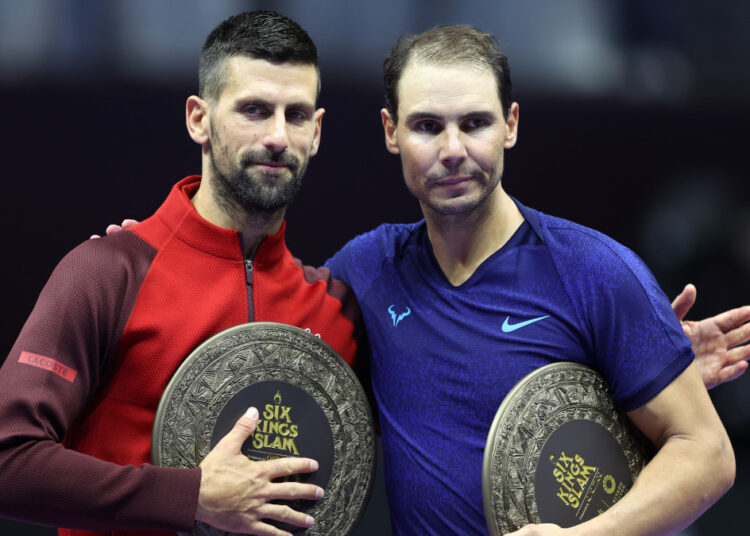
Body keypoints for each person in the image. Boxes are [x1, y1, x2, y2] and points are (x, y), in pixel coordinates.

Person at [322, 25, 744, 535]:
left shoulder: (595, 272)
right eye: (427, 126)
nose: (452, 148)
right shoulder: (367, 268)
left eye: (475, 123)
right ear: (391, 131)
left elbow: (708, 454)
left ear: (510, 124)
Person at [0, 11, 364, 536]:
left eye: (297, 115)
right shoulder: (109, 272)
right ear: (199, 118)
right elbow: (8, 458)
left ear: (318, 130)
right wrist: (189, 496)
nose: (278, 137)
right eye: (255, 110)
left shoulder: (336, 309)